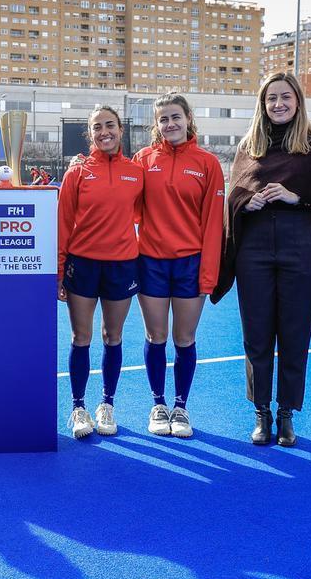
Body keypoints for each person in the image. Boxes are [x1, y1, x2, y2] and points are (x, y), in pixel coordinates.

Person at [212, 73, 311, 446]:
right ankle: (261, 412)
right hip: (254, 248)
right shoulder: (248, 146)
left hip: (300, 245)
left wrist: (294, 196)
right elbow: (233, 194)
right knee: (257, 333)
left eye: (286, 97)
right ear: (263, 104)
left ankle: (286, 413)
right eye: (271, 99)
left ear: (298, 101)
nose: (279, 104)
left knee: (294, 332)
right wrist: (244, 202)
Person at [131, 92, 225, 439]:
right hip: (151, 262)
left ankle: (181, 406)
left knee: (184, 338)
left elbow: (214, 223)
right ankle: (158, 404)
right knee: (156, 336)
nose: (170, 124)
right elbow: (125, 201)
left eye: (175, 117)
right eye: (163, 119)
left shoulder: (207, 163)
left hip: (190, 264)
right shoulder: (142, 159)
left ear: (188, 119)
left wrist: (209, 273)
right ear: (156, 125)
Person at [58, 105, 144, 438]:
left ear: (121, 130)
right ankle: (78, 407)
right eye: (97, 127)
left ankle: (106, 404)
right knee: (82, 337)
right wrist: (59, 270)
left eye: (110, 125)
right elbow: (64, 223)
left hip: (122, 265)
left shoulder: (136, 173)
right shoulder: (77, 173)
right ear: (90, 134)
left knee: (113, 336)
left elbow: (139, 214)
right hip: (83, 264)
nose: (104, 132)